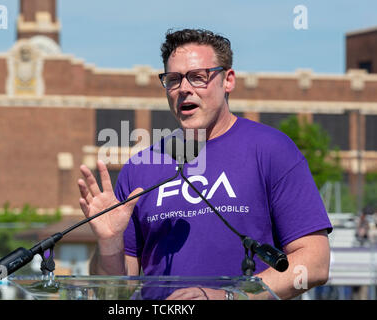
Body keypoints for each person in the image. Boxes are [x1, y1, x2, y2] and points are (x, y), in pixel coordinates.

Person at [78, 28, 332, 300]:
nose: (184, 89)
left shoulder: (272, 150)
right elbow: (113, 292)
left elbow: (314, 262)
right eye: (173, 79)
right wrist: (109, 242)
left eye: (198, 77)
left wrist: (228, 297)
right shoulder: (140, 167)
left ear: (228, 81)